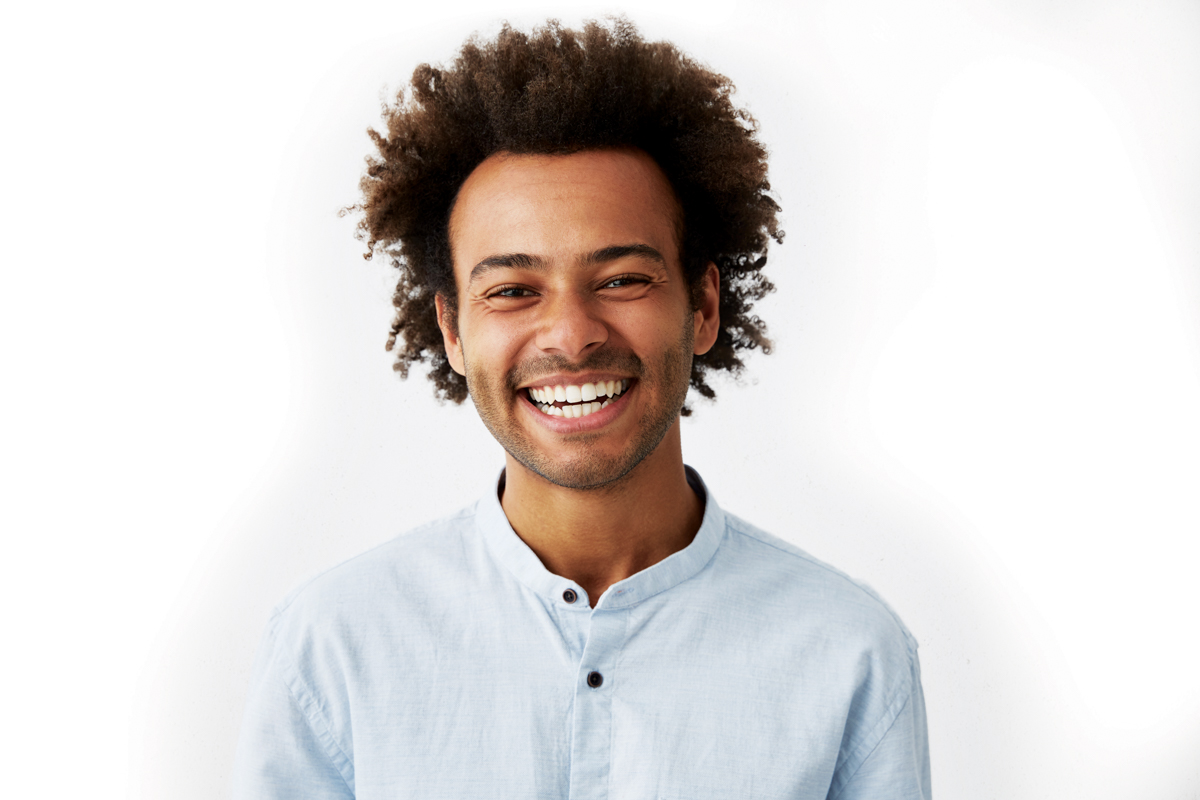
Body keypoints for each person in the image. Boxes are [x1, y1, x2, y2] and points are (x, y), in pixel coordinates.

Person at [232, 18, 930, 800]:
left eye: (623, 278)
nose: (570, 334)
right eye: (512, 291)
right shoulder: (333, 645)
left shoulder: (849, 651)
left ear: (702, 306)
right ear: (454, 331)